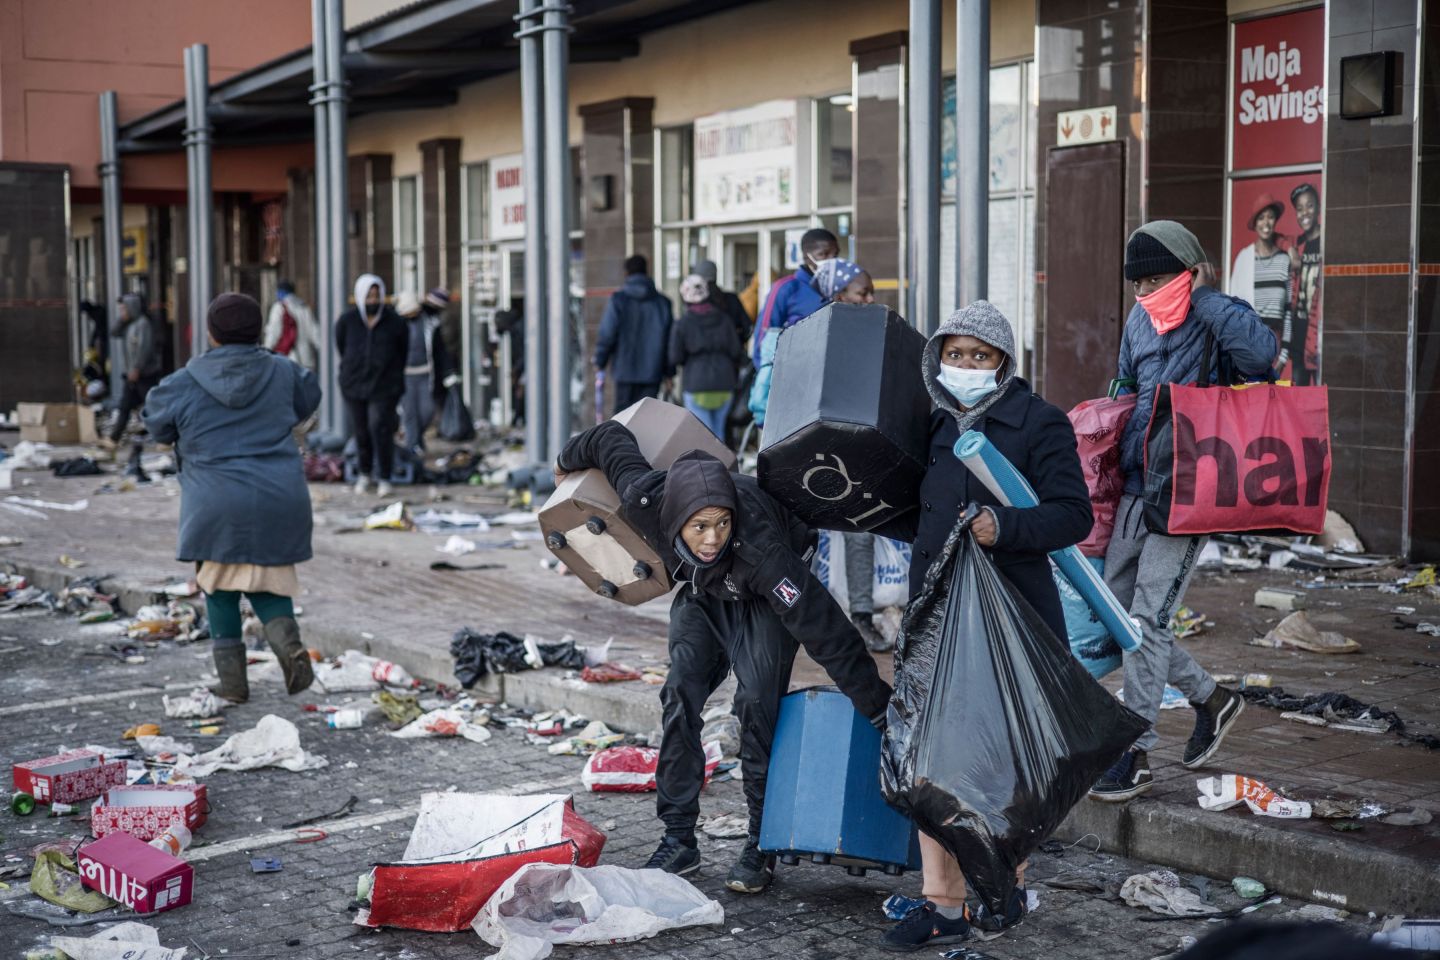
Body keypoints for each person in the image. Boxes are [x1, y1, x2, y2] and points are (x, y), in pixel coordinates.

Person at [554, 423, 892, 895]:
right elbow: (609, 436)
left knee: (756, 703)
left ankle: (760, 842)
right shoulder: (646, 498)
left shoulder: (763, 553)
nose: (711, 538)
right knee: (678, 694)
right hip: (704, 592)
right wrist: (566, 461)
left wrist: (879, 707)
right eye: (699, 527)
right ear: (675, 520)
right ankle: (678, 839)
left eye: (721, 523)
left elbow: (827, 631)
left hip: (761, 597)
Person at [881, 301, 1092, 951]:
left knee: (997, 771)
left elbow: (1073, 516)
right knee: (929, 767)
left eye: (981, 356)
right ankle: (942, 903)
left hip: (1009, 624)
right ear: (937, 358)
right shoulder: (936, 426)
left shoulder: (1039, 423)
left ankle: (1004, 888)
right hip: (935, 621)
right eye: (956, 354)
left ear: (1003, 363)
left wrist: (1008, 528)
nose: (966, 367)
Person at [1090, 221, 1277, 802]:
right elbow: (1125, 384)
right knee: (1117, 617)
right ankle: (1213, 699)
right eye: (1139, 281)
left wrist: (1204, 299)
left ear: (1191, 270)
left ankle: (1136, 752)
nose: (1148, 289)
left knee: (1147, 621)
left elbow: (1262, 360)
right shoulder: (1138, 319)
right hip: (1137, 483)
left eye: (1160, 277)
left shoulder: (1219, 312)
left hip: (1192, 489)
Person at [143, 293, 319, 703]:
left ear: (211, 333)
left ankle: (234, 684)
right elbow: (308, 398)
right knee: (269, 580)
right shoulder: (284, 372)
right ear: (258, 330)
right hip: (279, 494)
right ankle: (289, 646)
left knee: (219, 585)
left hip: (214, 500)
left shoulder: (184, 381)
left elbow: (156, 423)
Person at [810, 257, 887, 652]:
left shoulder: (877, 332)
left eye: (872, 292)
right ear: (839, 295)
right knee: (805, 532)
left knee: (862, 531)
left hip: (860, 447)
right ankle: (805, 616)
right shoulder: (813, 334)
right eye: (863, 293)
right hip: (814, 450)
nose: (870, 299)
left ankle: (861, 617)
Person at [748, 229, 839, 427]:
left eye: (835, 254)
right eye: (823, 255)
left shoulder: (840, 288)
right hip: (791, 386)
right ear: (807, 256)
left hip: (831, 387)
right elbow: (763, 340)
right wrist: (769, 384)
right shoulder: (785, 289)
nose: (830, 260)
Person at [335, 273, 406, 497]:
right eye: (369, 296)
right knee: (361, 430)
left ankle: (385, 476)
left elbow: (401, 352)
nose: (373, 301)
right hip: (354, 385)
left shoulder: (395, 322)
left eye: (377, 296)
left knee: (380, 427)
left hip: (384, 386)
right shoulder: (348, 321)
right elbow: (342, 346)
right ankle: (364, 473)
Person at [594, 254, 675, 413]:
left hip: (624, 372)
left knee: (622, 422)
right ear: (647, 271)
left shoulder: (618, 300)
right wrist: (669, 373)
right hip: (653, 372)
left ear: (627, 273)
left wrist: (600, 360)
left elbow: (607, 333)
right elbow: (669, 342)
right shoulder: (663, 303)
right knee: (646, 418)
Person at [668, 273, 743, 441]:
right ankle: (722, 465)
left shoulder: (683, 323)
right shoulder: (724, 319)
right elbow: (736, 351)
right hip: (725, 383)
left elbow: (675, 357)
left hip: (697, 384)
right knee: (719, 435)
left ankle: (711, 466)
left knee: (703, 438)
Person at [1228, 193, 1293, 376]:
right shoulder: (1244, 258)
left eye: (1270, 217)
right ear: (1255, 224)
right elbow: (1233, 307)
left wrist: (1282, 358)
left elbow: (1288, 311)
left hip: (1275, 344)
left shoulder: (1283, 260)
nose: (1266, 223)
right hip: (1249, 342)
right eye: (1261, 218)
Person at [105, 293, 164, 478]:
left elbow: (144, 348)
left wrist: (136, 368)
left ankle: (163, 438)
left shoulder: (143, 324)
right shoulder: (129, 324)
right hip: (133, 374)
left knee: (151, 407)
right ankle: (113, 438)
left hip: (144, 374)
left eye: (124, 309)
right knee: (124, 406)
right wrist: (122, 319)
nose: (122, 312)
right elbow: (113, 332)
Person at [395, 290, 457, 457]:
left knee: (427, 410)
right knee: (409, 412)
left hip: (426, 373)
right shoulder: (398, 325)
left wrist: (448, 372)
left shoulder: (429, 323)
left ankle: (416, 439)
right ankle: (412, 446)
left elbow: (439, 349)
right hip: (405, 374)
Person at [1288, 183, 1322, 386]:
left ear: (1318, 207)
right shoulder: (1297, 246)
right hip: (1299, 333)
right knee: (1298, 400)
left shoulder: (1329, 241)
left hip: (1319, 333)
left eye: (1309, 205)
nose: (1304, 213)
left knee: (1320, 397)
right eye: (1299, 209)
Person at [693, 259, 751, 347]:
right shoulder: (732, 299)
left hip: (701, 356)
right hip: (731, 356)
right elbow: (748, 329)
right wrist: (737, 342)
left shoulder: (695, 303)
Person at [264, 281, 320, 370]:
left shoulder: (278, 307)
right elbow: (314, 332)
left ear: (281, 292)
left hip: (286, 358)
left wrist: (266, 350)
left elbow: (274, 332)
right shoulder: (304, 307)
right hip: (305, 359)